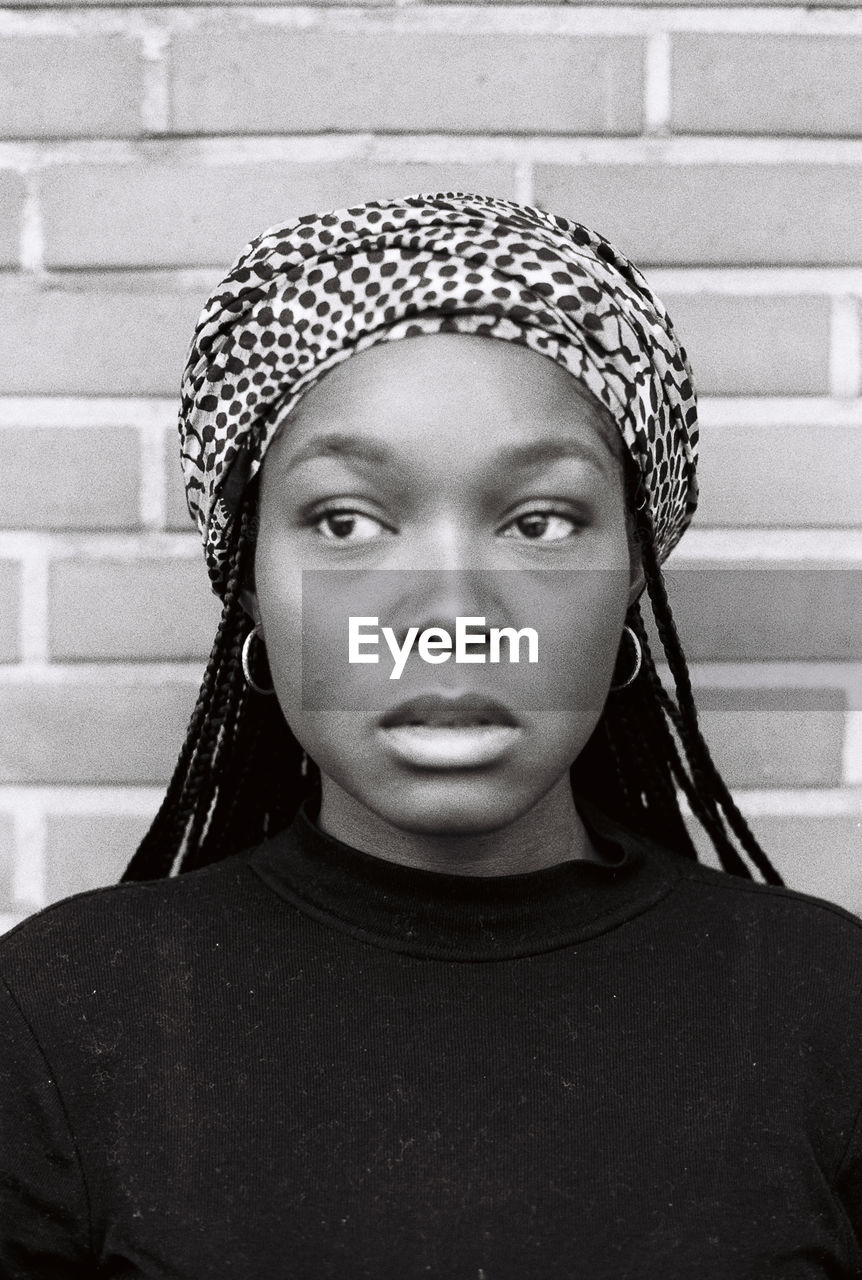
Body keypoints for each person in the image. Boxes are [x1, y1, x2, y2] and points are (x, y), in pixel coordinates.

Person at [1, 193, 860, 1278]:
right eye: (346, 521)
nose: (450, 614)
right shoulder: (58, 1020)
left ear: (631, 571)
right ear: (251, 581)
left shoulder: (826, 1011)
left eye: (538, 520)